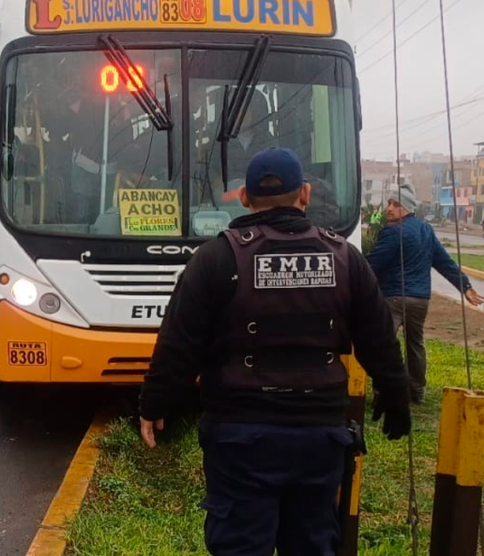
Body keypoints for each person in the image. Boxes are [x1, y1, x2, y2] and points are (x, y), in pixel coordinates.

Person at [139, 147, 411, 555]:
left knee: (240, 545)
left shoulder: (216, 258)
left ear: (245, 198)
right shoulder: (344, 258)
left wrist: (155, 402)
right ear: (304, 194)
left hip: (240, 436)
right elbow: (379, 337)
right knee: (313, 542)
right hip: (320, 436)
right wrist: (395, 393)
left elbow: (180, 341)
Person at [366, 184, 483, 404]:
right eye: (389, 203)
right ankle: (416, 392)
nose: (389, 208)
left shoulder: (392, 232)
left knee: (384, 345)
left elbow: (373, 264)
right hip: (420, 300)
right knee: (415, 344)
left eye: (396, 204)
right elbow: (444, 262)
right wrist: (464, 286)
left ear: (407, 208)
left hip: (393, 298)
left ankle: (385, 392)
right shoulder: (426, 230)